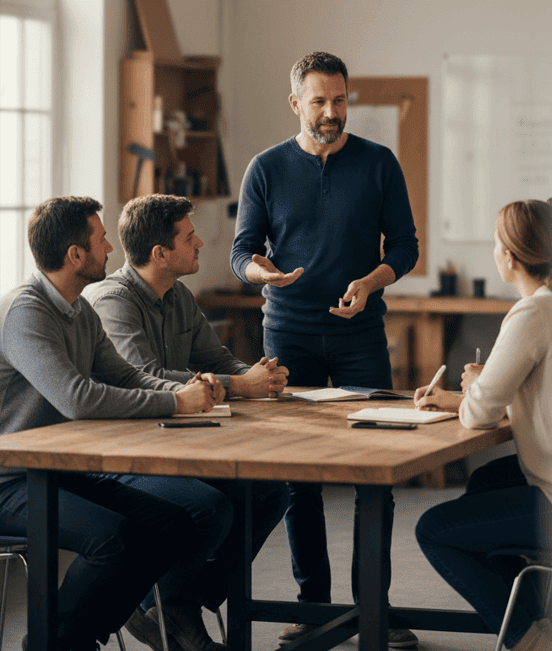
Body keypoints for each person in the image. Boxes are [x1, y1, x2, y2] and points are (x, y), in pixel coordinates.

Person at [230, 51, 419, 648]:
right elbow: (240, 252)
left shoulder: (379, 163)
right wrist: (262, 276)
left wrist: (370, 282)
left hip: (361, 336)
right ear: (296, 104)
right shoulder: (264, 168)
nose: (332, 112)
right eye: (319, 102)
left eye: (340, 100)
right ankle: (313, 605)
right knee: (298, 480)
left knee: (376, 473)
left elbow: (406, 247)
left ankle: (375, 609)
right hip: (286, 334)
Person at [0, 196, 220, 651]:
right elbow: (77, 398)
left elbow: (124, 375)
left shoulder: (78, 308)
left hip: (59, 468)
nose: (110, 251)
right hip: (11, 479)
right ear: (74, 255)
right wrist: (175, 405)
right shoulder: (26, 312)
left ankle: (76, 636)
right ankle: (52, 642)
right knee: (112, 539)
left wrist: (184, 393)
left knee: (173, 523)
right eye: (101, 241)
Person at [83, 193, 290, 651]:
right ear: (160, 253)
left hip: (179, 445)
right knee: (209, 507)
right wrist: (240, 388)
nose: (200, 243)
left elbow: (215, 359)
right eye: (189, 236)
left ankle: (177, 602)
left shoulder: (177, 295)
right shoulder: (110, 300)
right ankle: (156, 605)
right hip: (123, 454)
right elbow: (147, 379)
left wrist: (259, 376)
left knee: (271, 490)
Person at [414, 199, 552, 651]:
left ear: (509, 257)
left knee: (434, 529)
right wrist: (461, 398)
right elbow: (534, 403)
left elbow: (481, 415)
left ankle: (528, 637)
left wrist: (475, 387)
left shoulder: (533, 313)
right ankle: (531, 613)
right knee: (489, 479)